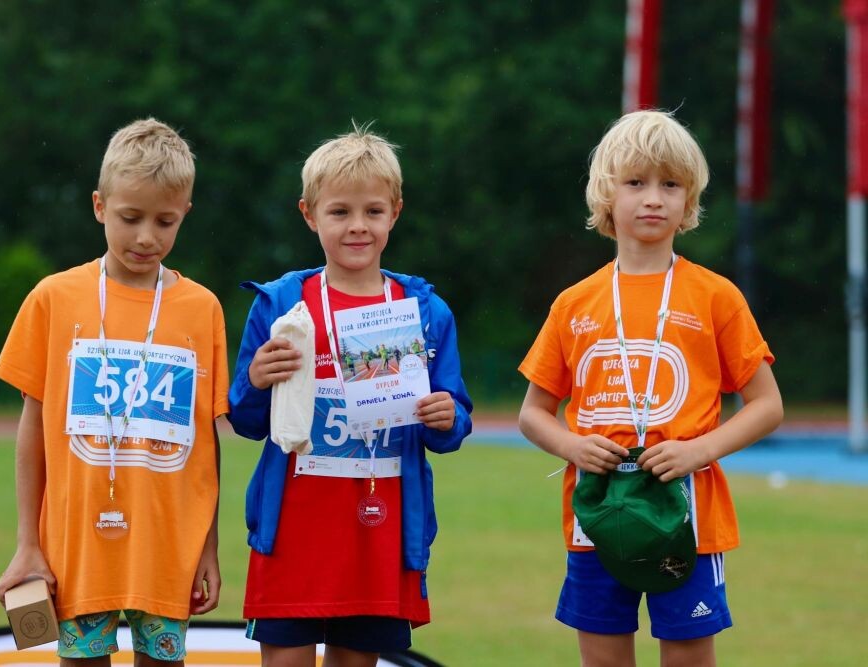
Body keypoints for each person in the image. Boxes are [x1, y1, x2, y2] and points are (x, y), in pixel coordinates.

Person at [517, 110, 783, 667]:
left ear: (689, 200)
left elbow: (767, 405)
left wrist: (698, 450)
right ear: (606, 195)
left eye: (671, 185)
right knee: (603, 659)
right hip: (597, 515)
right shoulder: (574, 303)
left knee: (688, 658)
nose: (654, 199)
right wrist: (572, 446)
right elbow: (533, 414)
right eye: (636, 183)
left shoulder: (715, 296)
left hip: (685, 514)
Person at [228, 125, 472, 667]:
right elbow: (245, 418)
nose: (358, 226)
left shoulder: (424, 311)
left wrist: (446, 415)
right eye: (339, 212)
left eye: (373, 211)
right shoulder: (282, 305)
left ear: (395, 213)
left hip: (377, 530)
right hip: (295, 530)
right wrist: (256, 380)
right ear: (309, 214)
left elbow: (453, 426)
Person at [0, 118, 228, 666]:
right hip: (76, 548)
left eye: (165, 221)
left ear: (185, 213)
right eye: (130, 217)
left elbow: (205, 442)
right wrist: (28, 543)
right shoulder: (54, 298)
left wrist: (208, 547)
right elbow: (33, 428)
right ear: (99, 206)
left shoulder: (202, 309)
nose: (146, 237)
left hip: (167, 548)